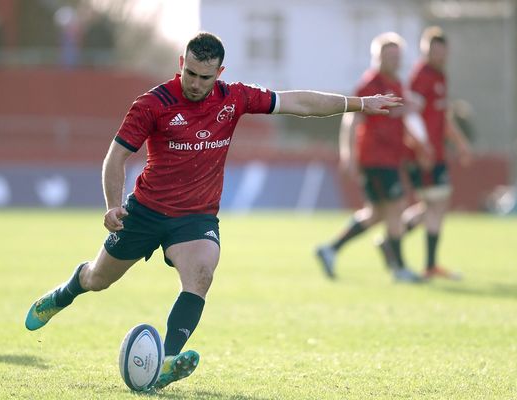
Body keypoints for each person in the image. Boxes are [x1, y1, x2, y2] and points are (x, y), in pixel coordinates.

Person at [24, 32, 401, 390]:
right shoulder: (152, 103)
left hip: (196, 217)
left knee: (201, 274)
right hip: (145, 212)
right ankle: (63, 294)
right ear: (180, 63)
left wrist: (362, 104)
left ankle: (166, 362)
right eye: (189, 73)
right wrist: (112, 205)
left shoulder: (234, 97)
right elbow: (116, 157)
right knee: (97, 279)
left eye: (205, 76)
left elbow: (298, 103)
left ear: (219, 73)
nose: (195, 83)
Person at [315, 32, 430, 283]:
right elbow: (352, 118)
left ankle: (330, 249)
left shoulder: (396, 84)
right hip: (376, 158)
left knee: (377, 213)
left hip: (390, 157)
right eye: (388, 56)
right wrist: (348, 153)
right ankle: (399, 268)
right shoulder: (370, 84)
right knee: (396, 208)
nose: (394, 60)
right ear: (376, 57)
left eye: (397, 56)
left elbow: (400, 118)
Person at [377, 27, 472, 280]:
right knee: (437, 203)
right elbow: (411, 114)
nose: (438, 55)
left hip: (436, 151)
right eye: (433, 51)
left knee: (434, 203)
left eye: (442, 51)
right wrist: (421, 146)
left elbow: (444, 116)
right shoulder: (421, 76)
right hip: (424, 153)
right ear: (425, 51)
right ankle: (427, 263)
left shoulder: (441, 76)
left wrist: (459, 143)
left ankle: (392, 242)